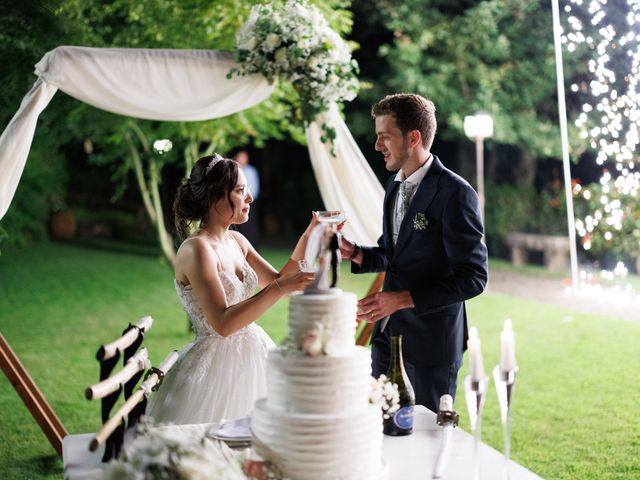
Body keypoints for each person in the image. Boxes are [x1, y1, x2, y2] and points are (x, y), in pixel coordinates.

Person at [340, 94, 488, 413]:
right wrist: (355, 253)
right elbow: (391, 254)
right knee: (382, 430)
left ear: (414, 137)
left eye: (385, 136)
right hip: (387, 338)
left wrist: (401, 298)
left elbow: (474, 278)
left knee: (423, 442)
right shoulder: (394, 186)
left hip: (431, 347)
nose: (378, 145)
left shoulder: (455, 193)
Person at [147, 154, 317, 425]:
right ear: (215, 197)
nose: (249, 198)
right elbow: (223, 323)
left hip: (255, 356)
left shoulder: (237, 240)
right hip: (215, 370)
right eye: (240, 191)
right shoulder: (196, 250)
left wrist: (310, 235)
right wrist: (279, 287)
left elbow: (278, 278)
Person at [234, 150, 261, 249]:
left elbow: (255, 187)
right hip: (235, 201)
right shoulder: (233, 170)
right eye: (240, 157)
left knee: (249, 226)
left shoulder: (251, 171)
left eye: (244, 157)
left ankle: (251, 247)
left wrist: (247, 199)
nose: (242, 160)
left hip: (249, 202)